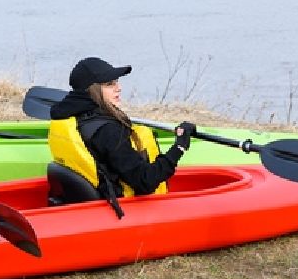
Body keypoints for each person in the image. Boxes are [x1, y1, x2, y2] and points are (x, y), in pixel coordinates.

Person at [45, 57, 195, 214]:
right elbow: (145, 181)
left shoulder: (73, 118)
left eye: (117, 82)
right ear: (93, 90)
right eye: (110, 84)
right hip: (125, 213)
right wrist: (179, 147)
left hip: (85, 208)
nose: (119, 88)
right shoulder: (108, 131)